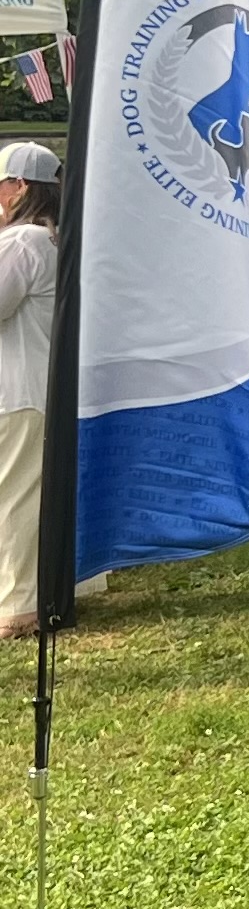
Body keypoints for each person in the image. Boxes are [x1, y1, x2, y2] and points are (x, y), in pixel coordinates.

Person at [0, 142, 60, 637]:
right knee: (34, 494)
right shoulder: (55, 241)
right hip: (40, 387)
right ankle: (53, 591)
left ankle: (19, 607)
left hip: (16, 389)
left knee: (14, 498)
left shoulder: (21, 242)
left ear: (20, 187)